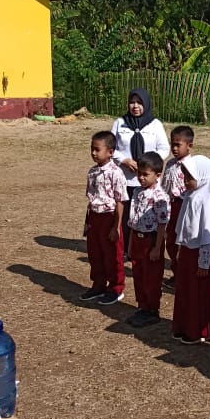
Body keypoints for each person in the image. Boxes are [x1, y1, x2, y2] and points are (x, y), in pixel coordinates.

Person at [172, 155, 210, 344]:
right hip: (188, 251)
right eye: (185, 177)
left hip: (201, 256)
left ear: (203, 177)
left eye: (190, 177)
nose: (186, 181)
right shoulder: (190, 196)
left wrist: (204, 262)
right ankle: (183, 325)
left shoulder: (208, 201)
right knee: (185, 291)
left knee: (198, 294)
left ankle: (199, 329)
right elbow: (184, 226)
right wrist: (181, 249)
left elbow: (208, 235)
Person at [110, 88, 170, 247]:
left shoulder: (155, 124)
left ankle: (148, 247)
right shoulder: (120, 123)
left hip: (148, 180)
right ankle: (125, 248)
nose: (135, 106)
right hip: (125, 178)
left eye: (139, 102)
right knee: (125, 215)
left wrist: (148, 163)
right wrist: (124, 160)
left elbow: (164, 148)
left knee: (146, 214)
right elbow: (110, 147)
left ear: (146, 103)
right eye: (132, 102)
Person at [82, 131, 127, 305]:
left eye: (97, 149)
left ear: (110, 152)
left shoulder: (116, 173)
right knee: (95, 253)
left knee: (112, 255)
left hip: (109, 218)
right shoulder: (92, 172)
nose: (93, 153)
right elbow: (91, 199)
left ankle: (116, 288)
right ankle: (98, 284)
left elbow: (120, 201)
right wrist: (88, 222)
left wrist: (116, 226)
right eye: (92, 149)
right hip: (95, 217)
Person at [127, 152, 170, 328]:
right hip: (137, 238)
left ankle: (152, 309)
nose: (141, 178)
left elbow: (162, 224)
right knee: (138, 274)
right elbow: (133, 221)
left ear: (157, 175)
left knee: (151, 277)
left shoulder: (160, 197)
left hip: (151, 240)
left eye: (146, 174)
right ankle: (142, 306)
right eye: (139, 174)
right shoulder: (137, 192)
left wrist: (157, 247)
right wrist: (130, 244)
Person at [161, 125, 193, 286]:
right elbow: (164, 187)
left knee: (183, 242)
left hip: (184, 207)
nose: (174, 148)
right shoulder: (170, 164)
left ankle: (184, 275)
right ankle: (176, 272)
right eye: (172, 144)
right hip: (170, 206)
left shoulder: (192, 166)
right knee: (171, 241)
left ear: (189, 146)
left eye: (178, 145)